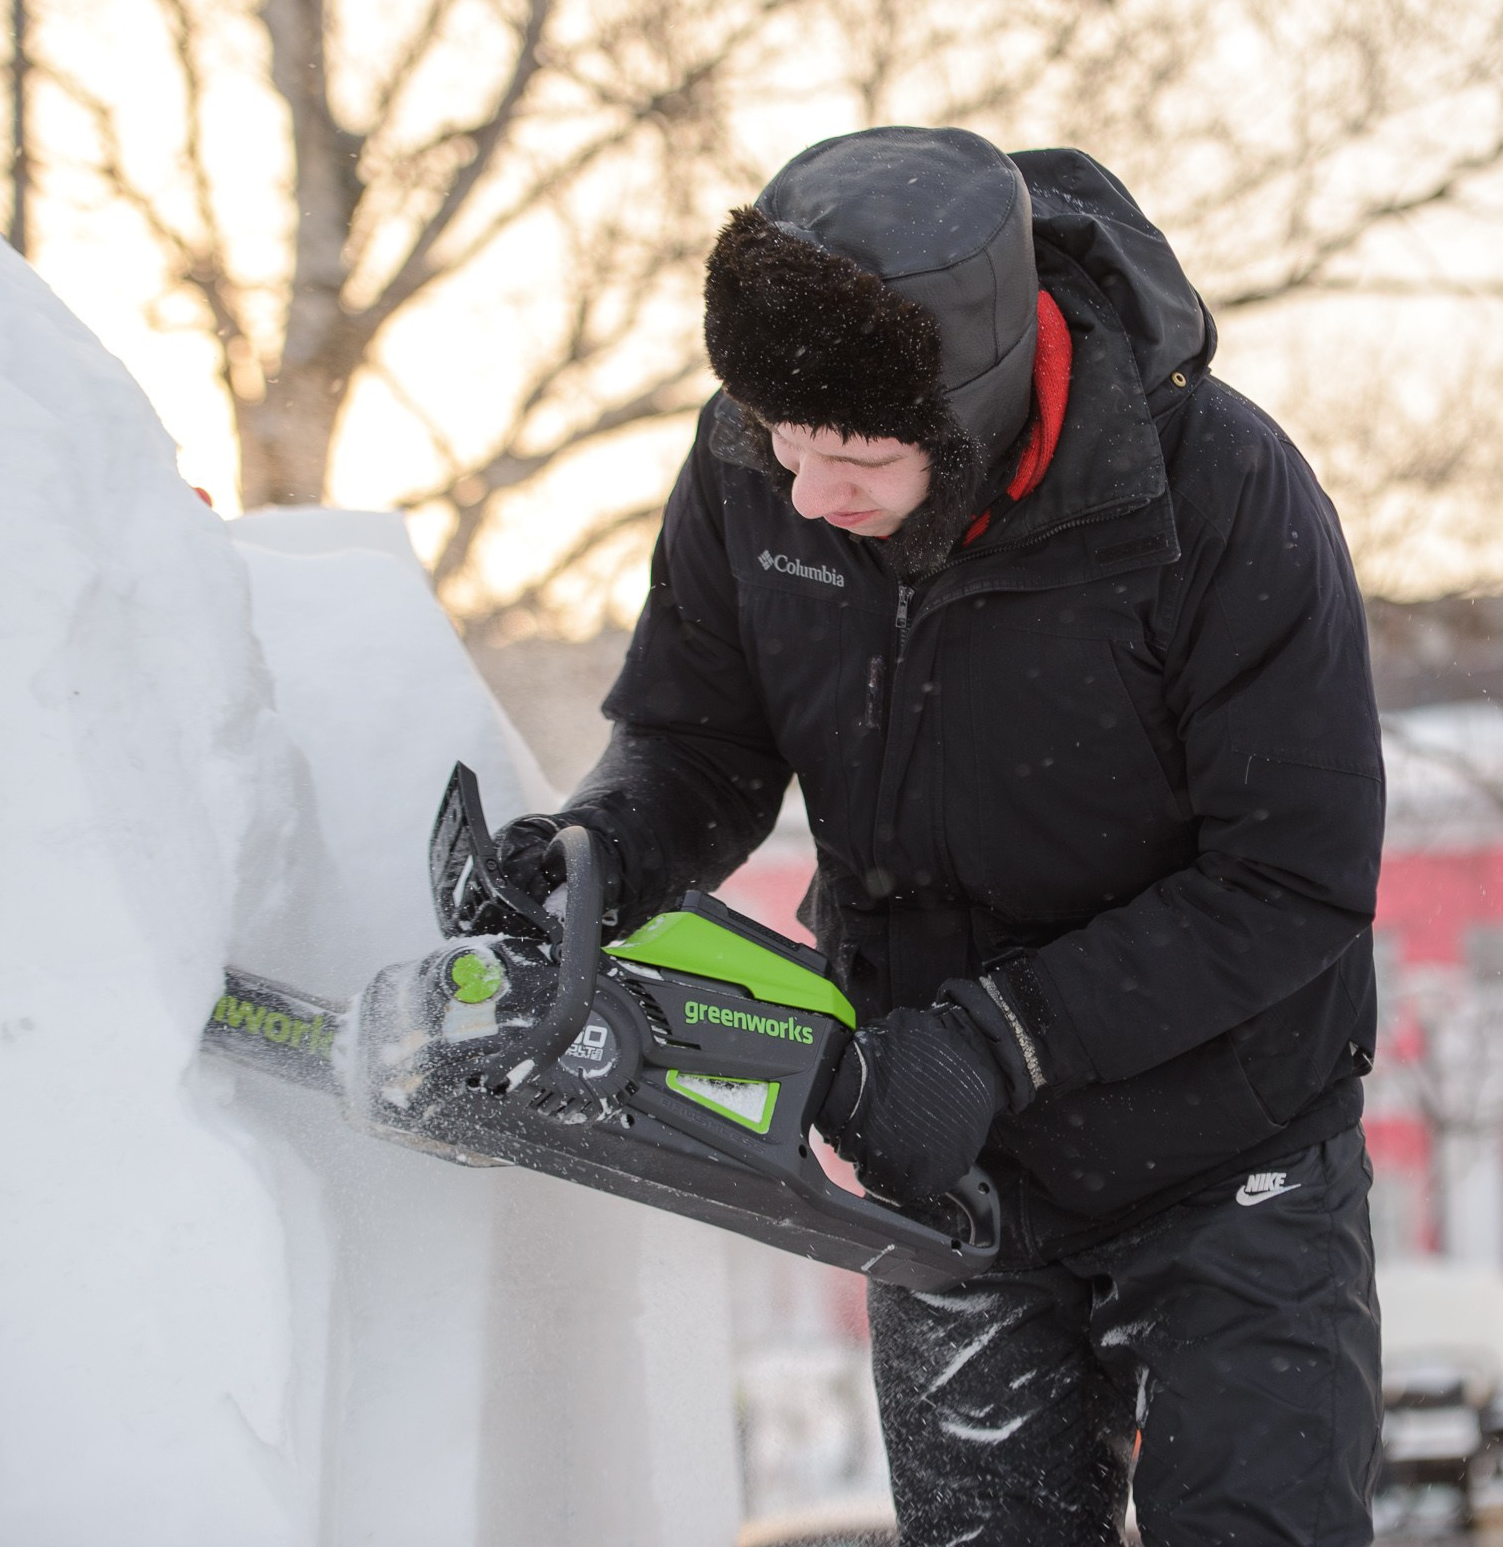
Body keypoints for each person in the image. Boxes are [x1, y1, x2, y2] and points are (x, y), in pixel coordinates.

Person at [489, 125, 1386, 1546]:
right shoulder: (754, 466)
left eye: (850, 457)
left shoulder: (1216, 498)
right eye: (779, 442)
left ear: (968, 413)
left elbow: (1295, 877)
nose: (804, 494)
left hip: (1229, 1162)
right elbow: (700, 743)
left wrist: (1000, 1038)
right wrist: (600, 852)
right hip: (948, 1180)